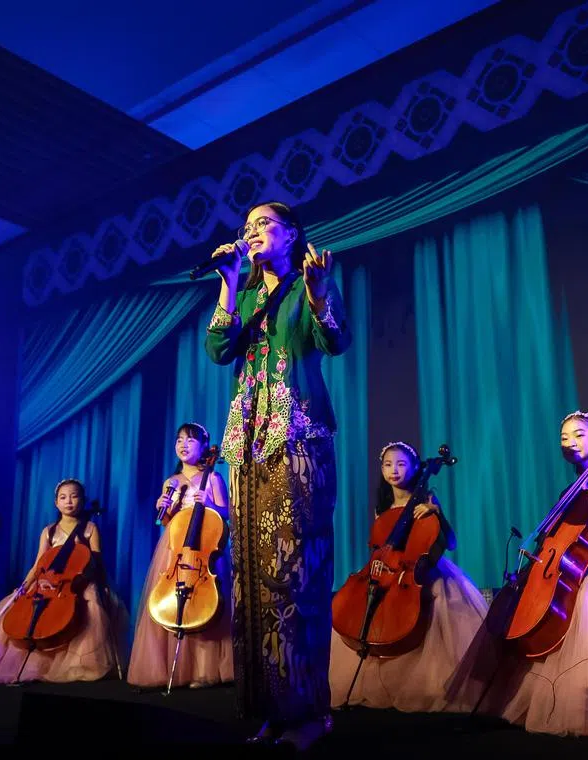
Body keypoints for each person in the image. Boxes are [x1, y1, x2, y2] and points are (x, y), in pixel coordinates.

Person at [204, 200, 351, 750]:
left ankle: (309, 711)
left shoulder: (309, 284)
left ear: (293, 235)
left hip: (298, 441)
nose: (252, 231)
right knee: (252, 582)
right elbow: (219, 350)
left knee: (296, 577)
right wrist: (227, 282)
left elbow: (334, 340)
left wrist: (316, 292)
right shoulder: (242, 292)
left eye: (264, 223)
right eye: (247, 226)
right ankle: (270, 707)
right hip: (247, 446)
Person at [446, 410, 588, 739]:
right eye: (564, 437)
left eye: (579, 434)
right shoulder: (572, 489)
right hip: (571, 562)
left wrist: (582, 564)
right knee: (520, 601)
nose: (570, 442)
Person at [329, 441, 488, 712]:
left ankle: (427, 683)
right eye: (388, 464)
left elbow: (449, 543)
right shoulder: (382, 508)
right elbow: (379, 549)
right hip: (384, 573)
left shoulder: (426, 501)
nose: (394, 470)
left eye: (402, 464)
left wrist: (436, 512)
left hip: (417, 572)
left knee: (436, 602)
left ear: (415, 468)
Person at [0, 479, 128, 684]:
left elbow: (96, 561)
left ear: (82, 500)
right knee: (19, 607)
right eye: (63, 497)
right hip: (47, 583)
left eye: (74, 496)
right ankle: (36, 664)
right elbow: (39, 564)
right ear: (56, 503)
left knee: (92, 606)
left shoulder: (90, 528)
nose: (69, 501)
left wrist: (94, 581)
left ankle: (76, 665)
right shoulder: (49, 531)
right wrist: (26, 584)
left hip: (79, 581)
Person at [127, 422, 234, 689]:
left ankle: (202, 669)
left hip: (204, 547)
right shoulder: (171, 481)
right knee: (171, 600)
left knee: (203, 603)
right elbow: (166, 523)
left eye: (190, 440)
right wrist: (163, 509)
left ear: (203, 447)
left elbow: (226, 515)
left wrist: (209, 504)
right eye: (179, 440)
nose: (183, 445)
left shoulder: (213, 478)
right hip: (175, 550)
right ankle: (171, 669)